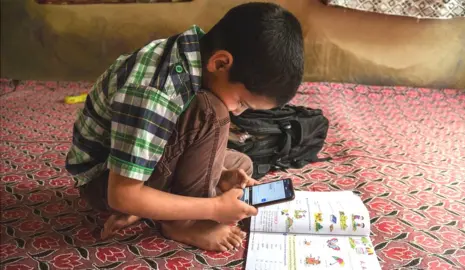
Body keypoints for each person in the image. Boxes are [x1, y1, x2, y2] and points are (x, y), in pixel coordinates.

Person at [65, 2, 304, 252]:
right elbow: (121, 195)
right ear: (221, 63)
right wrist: (215, 209)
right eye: (242, 102)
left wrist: (220, 174)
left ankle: (157, 206)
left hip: (138, 160)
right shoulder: (157, 92)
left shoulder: (194, 51)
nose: (238, 112)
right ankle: (181, 223)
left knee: (239, 167)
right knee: (211, 113)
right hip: (104, 182)